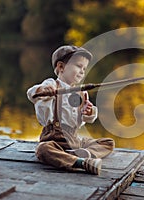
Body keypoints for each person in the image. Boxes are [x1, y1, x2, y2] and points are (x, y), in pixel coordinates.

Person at [27, 45, 115, 175]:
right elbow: (31, 93)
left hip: (74, 139)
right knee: (43, 150)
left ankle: (84, 154)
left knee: (108, 143)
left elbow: (85, 119)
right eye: (79, 66)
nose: (82, 71)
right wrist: (43, 90)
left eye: (84, 69)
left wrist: (88, 112)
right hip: (54, 140)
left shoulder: (81, 92)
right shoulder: (51, 85)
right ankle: (80, 162)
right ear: (61, 67)